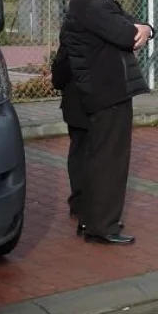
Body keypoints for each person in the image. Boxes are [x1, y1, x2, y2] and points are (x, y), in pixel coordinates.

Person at [59, 0, 152, 245]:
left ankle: (90, 217)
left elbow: (130, 26)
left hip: (89, 90)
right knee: (109, 159)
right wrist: (143, 29)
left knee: (89, 155)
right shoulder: (94, 4)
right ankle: (102, 226)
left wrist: (146, 27)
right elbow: (127, 34)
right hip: (106, 91)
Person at [50, 44, 88, 234]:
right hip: (96, 104)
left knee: (79, 153)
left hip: (75, 104)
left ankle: (80, 202)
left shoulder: (71, 33)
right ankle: (87, 203)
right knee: (91, 154)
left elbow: (59, 72)